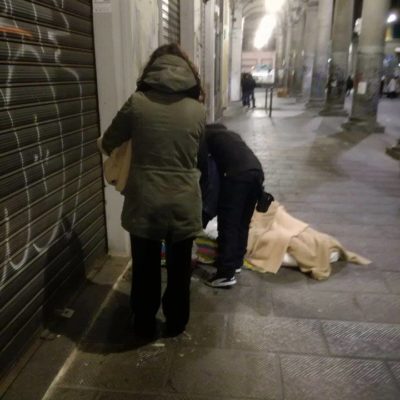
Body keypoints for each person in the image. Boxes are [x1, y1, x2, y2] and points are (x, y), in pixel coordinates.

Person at [100, 43, 206, 338]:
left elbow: (109, 141)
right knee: (180, 267)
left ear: (152, 71)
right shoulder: (198, 110)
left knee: (145, 267)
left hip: (145, 199)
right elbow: (198, 155)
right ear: (188, 72)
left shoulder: (137, 103)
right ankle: (176, 322)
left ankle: (144, 321)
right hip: (184, 200)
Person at [201, 123, 264, 288]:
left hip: (237, 177)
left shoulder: (205, 138)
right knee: (242, 222)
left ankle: (225, 274)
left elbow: (207, 171)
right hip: (256, 172)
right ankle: (236, 262)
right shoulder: (230, 135)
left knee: (228, 223)